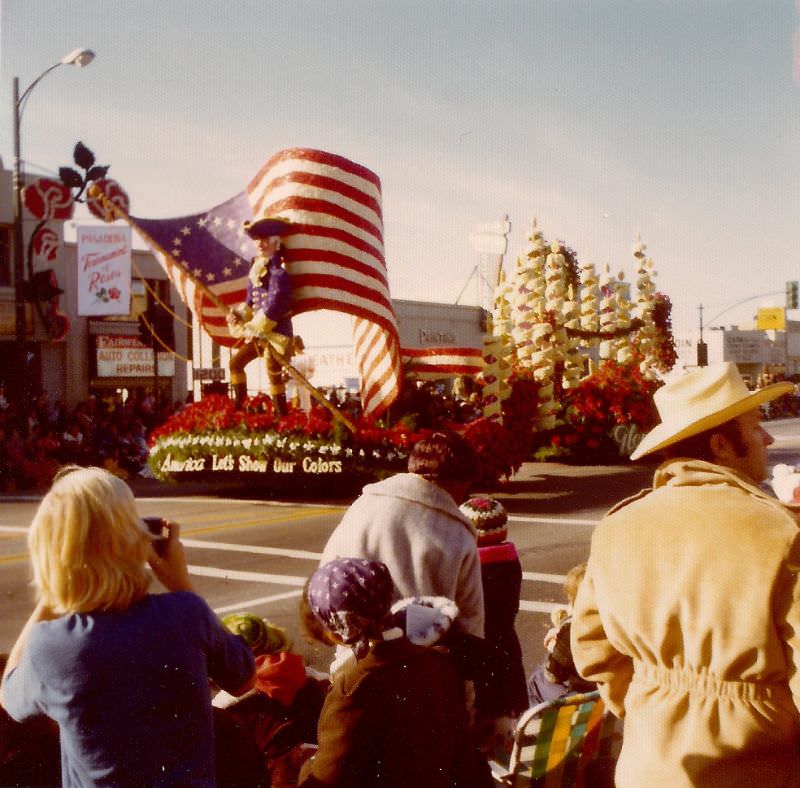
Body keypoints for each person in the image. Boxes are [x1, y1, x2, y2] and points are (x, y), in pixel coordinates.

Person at [570, 362, 800, 788]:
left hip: (648, 765)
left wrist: (658, 704)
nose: (768, 438)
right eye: (755, 427)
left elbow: (593, 650)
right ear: (721, 445)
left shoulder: (618, 525)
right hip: (757, 766)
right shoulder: (780, 531)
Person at [0, 465, 256, 787]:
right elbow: (244, 678)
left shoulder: (50, 645)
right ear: (136, 539)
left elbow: (9, 697)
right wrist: (181, 583)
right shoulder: (186, 614)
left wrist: (52, 595)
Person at [297, 557, 493, 788]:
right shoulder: (436, 661)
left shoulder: (353, 689)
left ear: (336, 634)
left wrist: (304, 767)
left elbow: (329, 777)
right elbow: (463, 753)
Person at [320, 430, 485, 656]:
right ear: (457, 482)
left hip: (358, 662)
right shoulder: (457, 533)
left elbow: (325, 580)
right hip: (424, 669)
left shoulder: (363, 507)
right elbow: (470, 623)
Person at [458, 496, 528, 752]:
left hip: (477, 650)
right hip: (507, 647)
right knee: (504, 722)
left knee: (476, 725)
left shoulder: (467, 565)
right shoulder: (510, 560)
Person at [227, 217, 294, 413]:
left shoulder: (279, 275)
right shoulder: (255, 272)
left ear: (275, 242)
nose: (260, 244)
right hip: (259, 334)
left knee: (272, 372)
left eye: (264, 240)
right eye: (257, 240)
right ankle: (240, 408)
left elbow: (273, 307)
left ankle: (282, 416)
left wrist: (252, 328)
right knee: (235, 364)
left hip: (277, 335)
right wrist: (237, 316)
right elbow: (250, 304)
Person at [527, 562, 595, 705]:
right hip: (599, 695)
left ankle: (536, 723)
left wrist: (554, 648)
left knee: (537, 679)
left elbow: (553, 675)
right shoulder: (612, 625)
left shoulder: (570, 632)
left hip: (576, 696)